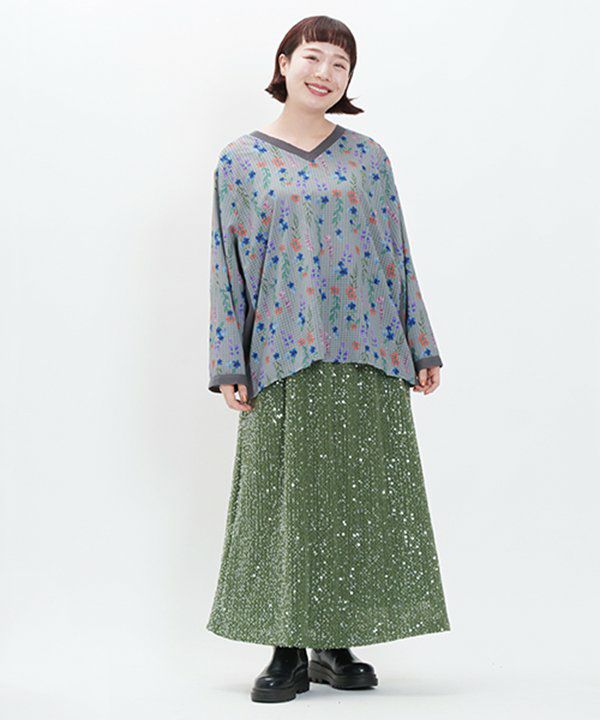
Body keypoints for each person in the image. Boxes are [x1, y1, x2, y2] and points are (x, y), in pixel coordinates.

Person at [206, 15, 451, 704]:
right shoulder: (240, 160)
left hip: (369, 349)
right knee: (286, 499)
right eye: (313, 57)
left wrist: (420, 343)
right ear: (284, 62)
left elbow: (397, 252)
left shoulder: (368, 158)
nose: (325, 73)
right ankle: (287, 648)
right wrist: (230, 362)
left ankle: (335, 645)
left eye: (340, 64)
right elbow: (226, 265)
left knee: (355, 498)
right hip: (282, 353)